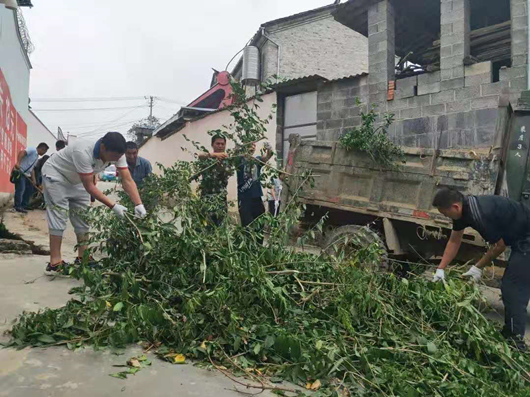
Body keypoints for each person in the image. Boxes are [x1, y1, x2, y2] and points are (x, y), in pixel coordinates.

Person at [432, 188, 530, 351]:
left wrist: (477, 268)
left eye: (446, 214)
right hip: (522, 239)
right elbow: (454, 240)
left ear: (456, 207)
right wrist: (440, 269)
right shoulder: (464, 211)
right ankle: (509, 333)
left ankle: (516, 343)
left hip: (527, 240)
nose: (446, 217)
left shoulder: (480, 214)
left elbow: (499, 246)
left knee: (513, 289)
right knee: (510, 287)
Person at [41, 132, 146, 275]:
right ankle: (55, 262)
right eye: (113, 157)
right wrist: (113, 206)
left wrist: (138, 204)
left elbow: (127, 179)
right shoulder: (83, 151)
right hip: (57, 175)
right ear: (103, 147)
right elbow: (90, 187)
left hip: (77, 179)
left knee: (83, 217)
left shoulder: (118, 154)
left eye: (117, 158)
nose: (115, 161)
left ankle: (83, 257)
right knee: (59, 215)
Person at [237, 142, 274, 230]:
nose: (252, 147)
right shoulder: (239, 160)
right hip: (244, 198)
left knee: (259, 225)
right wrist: (238, 149)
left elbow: (268, 156)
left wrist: (269, 149)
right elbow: (233, 155)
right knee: (247, 227)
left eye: (254, 145)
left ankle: (258, 244)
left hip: (257, 197)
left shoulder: (257, 160)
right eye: (250, 145)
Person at [197, 135, 231, 225]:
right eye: (218, 144)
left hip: (220, 199)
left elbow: (227, 173)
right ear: (212, 145)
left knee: (220, 227)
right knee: (205, 227)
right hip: (206, 198)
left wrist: (220, 164)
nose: (220, 146)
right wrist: (214, 155)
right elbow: (200, 156)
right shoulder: (207, 159)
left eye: (222, 144)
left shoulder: (227, 161)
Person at [13, 142, 49, 213]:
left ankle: (24, 205)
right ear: (42, 149)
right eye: (45, 151)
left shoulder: (36, 157)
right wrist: (18, 163)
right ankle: (17, 206)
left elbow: (32, 169)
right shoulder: (32, 150)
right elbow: (22, 152)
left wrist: (34, 180)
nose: (44, 153)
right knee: (21, 189)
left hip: (27, 175)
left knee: (29, 190)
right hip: (21, 172)